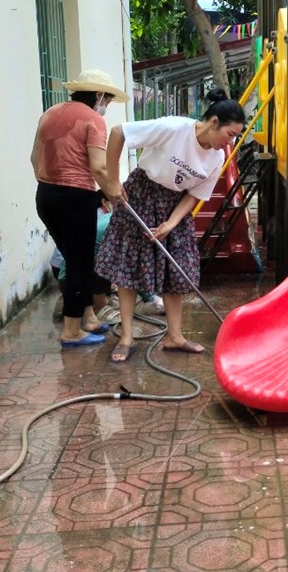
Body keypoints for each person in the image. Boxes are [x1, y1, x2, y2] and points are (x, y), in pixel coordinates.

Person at [95, 89, 246, 363]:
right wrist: (113, 181)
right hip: (141, 195)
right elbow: (118, 133)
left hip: (175, 205)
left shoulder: (216, 158)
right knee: (129, 266)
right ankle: (127, 337)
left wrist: (171, 223)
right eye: (230, 134)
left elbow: (195, 194)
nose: (230, 142)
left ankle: (174, 336)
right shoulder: (174, 128)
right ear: (214, 122)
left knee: (177, 270)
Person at [31, 69, 127, 348]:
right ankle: (72, 331)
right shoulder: (93, 119)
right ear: (99, 95)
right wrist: (114, 194)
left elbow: (34, 158)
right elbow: (98, 167)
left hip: (45, 196)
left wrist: (53, 184)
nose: (106, 106)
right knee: (79, 263)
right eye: (107, 100)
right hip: (75, 197)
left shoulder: (49, 114)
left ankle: (89, 318)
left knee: (75, 258)